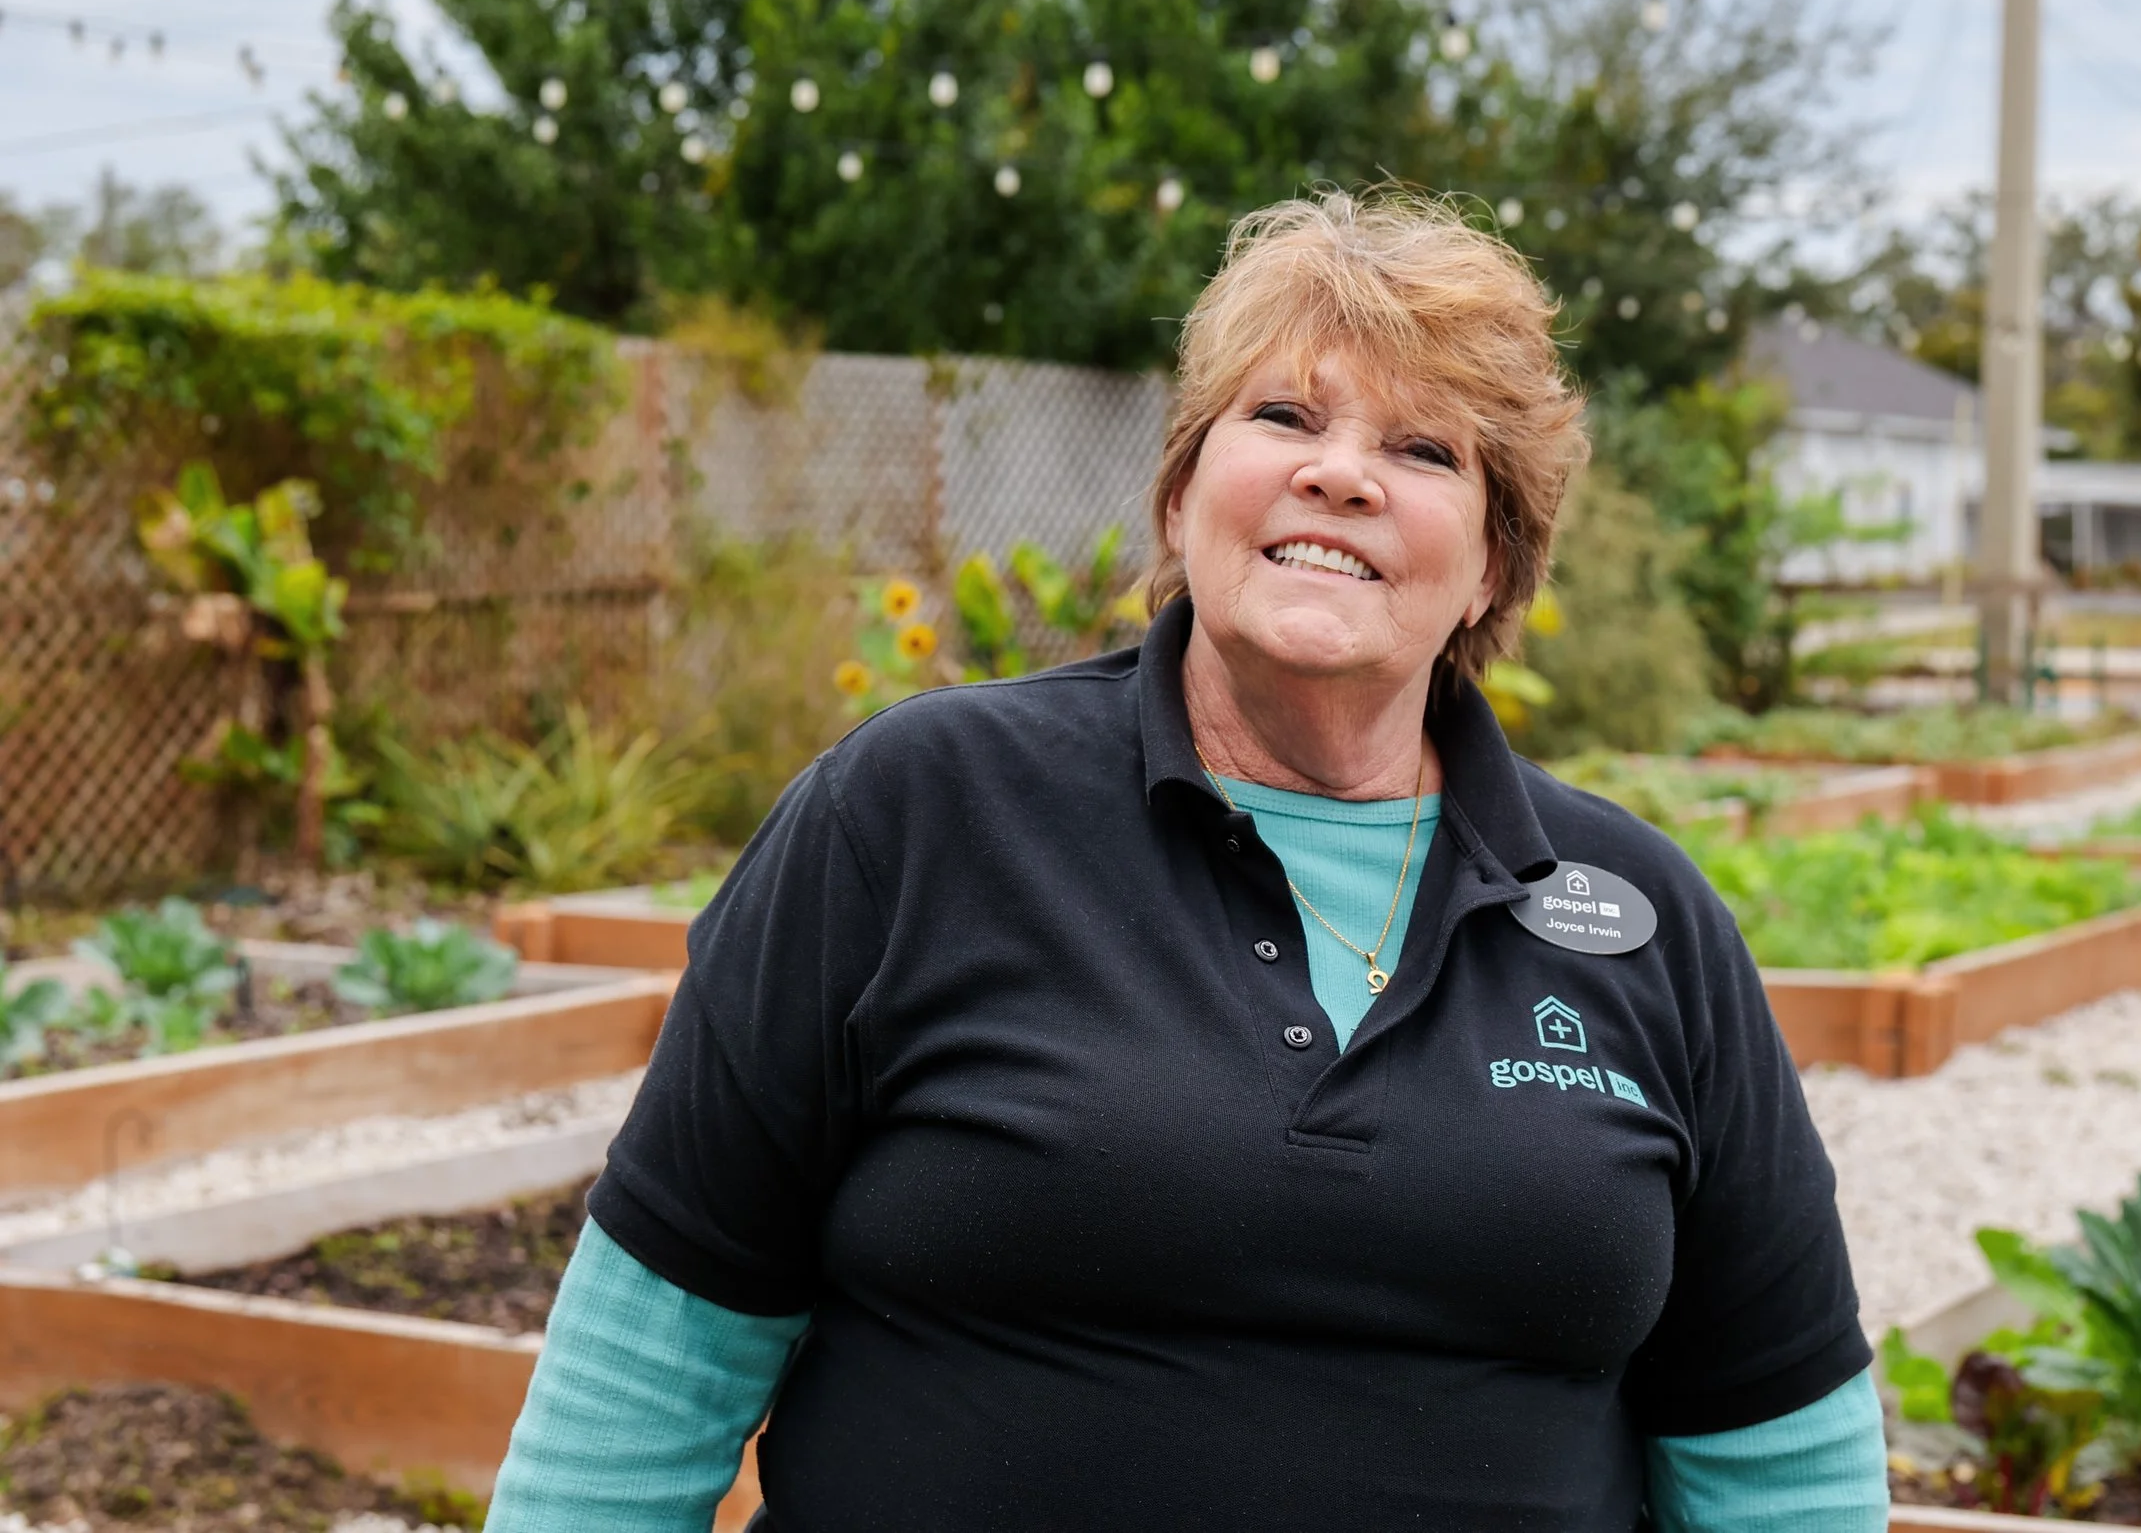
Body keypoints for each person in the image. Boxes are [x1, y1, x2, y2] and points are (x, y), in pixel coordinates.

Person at [484, 190, 1887, 1533]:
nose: (1340, 471)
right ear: (1179, 496)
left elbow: (1779, 1459)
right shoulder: (916, 816)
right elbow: (648, 1369)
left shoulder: (1643, 921)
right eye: (1283, 416)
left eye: (1425, 451)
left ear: (1495, 569)